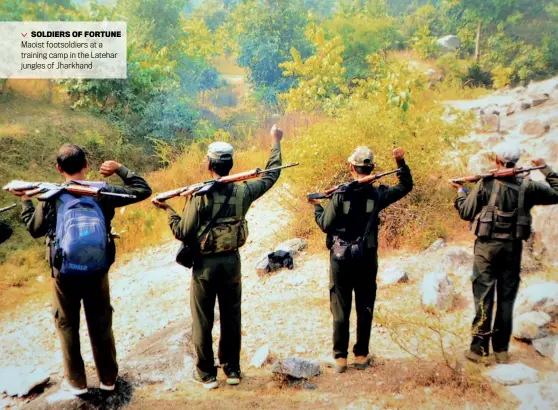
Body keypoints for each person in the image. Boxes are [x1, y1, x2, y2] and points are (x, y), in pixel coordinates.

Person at [9, 144, 152, 395]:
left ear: (58, 168)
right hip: (97, 269)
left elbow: (34, 229)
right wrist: (120, 168)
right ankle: (108, 378)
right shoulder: (101, 191)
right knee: (101, 322)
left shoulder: (52, 196)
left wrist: (25, 201)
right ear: (86, 165)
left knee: (67, 324)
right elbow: (142, 190)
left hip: (64, 272)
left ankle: (77, 382)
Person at [152, 125, 284, 390]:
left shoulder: (198, 196)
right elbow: (271, 176)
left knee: (203, 320)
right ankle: (232, 369)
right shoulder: (243, 192)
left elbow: (183, 232)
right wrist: (275, 142)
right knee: (232, 316)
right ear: (231, 164)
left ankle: (206, 374)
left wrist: (167, 209)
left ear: (209, 164)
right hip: (232, 262)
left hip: (205, 267)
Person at [308, 146, 413, 373]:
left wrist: (317, 207)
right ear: (372, 169)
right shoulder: (377, 195)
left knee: (340, 307)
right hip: (367, 257)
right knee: (365, 305)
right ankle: (362, 355)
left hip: (340, 258)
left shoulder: (339, 195)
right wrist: (400, 161)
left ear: (351, 168)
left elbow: (325, 224)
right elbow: (405, 186)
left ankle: (340, 358)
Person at [451, 144, 558, 364]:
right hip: (512, 249)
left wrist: (461, 192)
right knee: (506, 300)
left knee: (484, 298)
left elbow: (465, 212)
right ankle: (501, 351)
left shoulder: (485, 183)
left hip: (486, 249)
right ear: (516, 162)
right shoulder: (529, 187)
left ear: (498, 160)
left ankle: (478, 351)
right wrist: (545, 168)